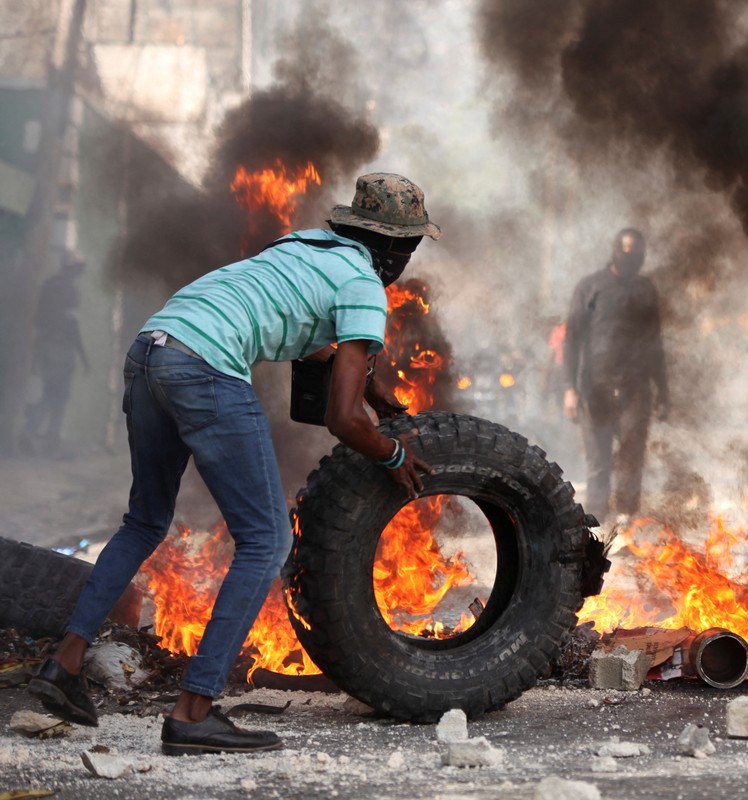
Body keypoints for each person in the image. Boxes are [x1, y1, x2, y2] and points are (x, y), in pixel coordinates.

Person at [28, 173, 440, 755]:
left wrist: (380, 397)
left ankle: (63, 667)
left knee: (144, 521)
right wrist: (394, 451)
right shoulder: (365, 286)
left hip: (152, 350)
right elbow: (342, 422)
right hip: (205, 370)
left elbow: (317, 341)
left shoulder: (300, 246)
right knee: (265, 540)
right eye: (411, 247)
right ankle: (194, 712)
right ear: (395, 250)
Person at [562, 227, 669, 528]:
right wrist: (570, 388)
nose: (631, 256)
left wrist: (664, 392)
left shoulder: (646, 289)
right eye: (626, 249)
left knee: (631, 458)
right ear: (614, 250)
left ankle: (626, 523)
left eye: (637, 251)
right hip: (595, 389)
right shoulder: (590, 286)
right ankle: (595, 526)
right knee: (598, 463)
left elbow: (656, 343)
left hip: (636, 388)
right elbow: (572, 340)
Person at [21, 255, 90, 457]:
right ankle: (49, 442)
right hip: (61, 351)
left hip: (46, 348)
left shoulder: (48, 286)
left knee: (49, 394)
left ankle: (31, 432)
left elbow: (38, 322)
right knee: (58, 397)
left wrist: (36, 353)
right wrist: (84, 357)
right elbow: (72, 327)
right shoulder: (69, 292)